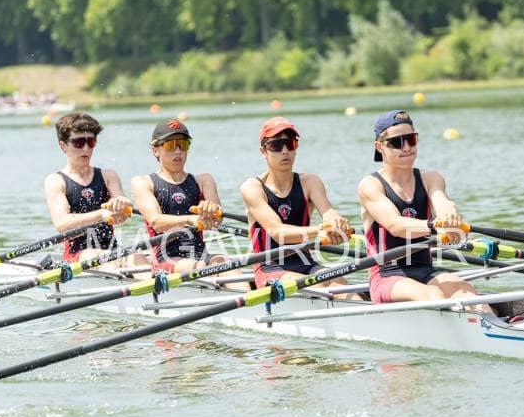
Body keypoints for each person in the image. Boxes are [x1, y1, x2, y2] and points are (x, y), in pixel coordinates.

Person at [358, 109, 490, 310]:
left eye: (411, 140)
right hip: (386, 276)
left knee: (466, 291)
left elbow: (442, 202)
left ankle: (491, 326)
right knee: (433, 295)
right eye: (396, 142)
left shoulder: (430, 178)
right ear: (379, 146)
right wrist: (435, 226)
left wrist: (450, 216)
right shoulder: (370, 185)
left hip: (425, 270)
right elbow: (396, 225)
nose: (406, 147)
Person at [240, 117, 356, 294]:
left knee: (341, 284)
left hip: (306, 263)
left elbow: (327, 211)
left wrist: (336, 221)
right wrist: (321, 230)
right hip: (269, 268)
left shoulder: (310, 182)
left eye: (290, 144)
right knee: (315, 286)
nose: (285, 151)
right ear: (263, 151)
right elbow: (277, 232)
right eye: (276, 146)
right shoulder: (252, 188)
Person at [131, 119, 247, 288]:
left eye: (183, 144)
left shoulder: (203, 181)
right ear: (155, 150)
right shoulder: (143, 183)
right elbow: (157, 221)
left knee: (227, 263)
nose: (178, 151)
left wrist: (211, 212)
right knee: (201, 268)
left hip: (200, 255)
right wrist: (191, 219)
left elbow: (217, 220)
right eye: (171, 145)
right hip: (166, 259)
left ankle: (248, 299)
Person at [44, 112, 139, 265]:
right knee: (104, 257)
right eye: (79, 143)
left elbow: (123, 214)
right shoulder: (55, 181)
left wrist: (123, 204)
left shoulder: (108, 176)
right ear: (63, 145)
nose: (86, 148)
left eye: (91, 142)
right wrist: (101, 214)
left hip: (112, 250)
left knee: (139, 257)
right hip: (77, 254)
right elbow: (62, 224)